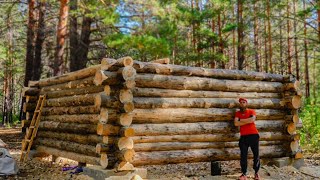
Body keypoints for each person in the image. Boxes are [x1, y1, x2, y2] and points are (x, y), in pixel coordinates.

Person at [234, 98, 260, 180]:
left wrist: (241, 120)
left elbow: (252, 120)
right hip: (243, 137)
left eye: (244, 102)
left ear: (246, 103)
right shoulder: (237, 113)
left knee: (256, 155)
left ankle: (256, 173)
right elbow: (235, 123)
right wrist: (247, 120)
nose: (242, 104)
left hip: (254, 135)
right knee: (243, 156)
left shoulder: (251, 111)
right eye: (241, 102)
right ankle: (244, 174)